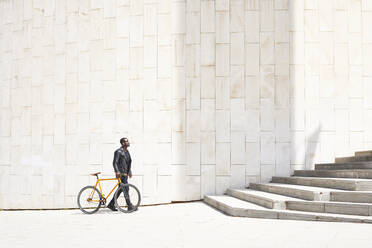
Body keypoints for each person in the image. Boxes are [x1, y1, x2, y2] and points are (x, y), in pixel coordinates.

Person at [107, 137, 135, 211]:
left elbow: (128, 162)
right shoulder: (118, 151)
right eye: (126, 141)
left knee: (121, 189)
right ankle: (130, 206)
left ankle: (111, 204)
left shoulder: (127, 152)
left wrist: (129, 171)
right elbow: (115, 163)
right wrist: (117, 172)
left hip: (125, 174)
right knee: (126, 189)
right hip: (121, 174)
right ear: (123, 143)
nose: (128, 142)